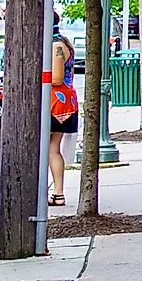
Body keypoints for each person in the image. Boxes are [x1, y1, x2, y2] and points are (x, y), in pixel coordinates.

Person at [45, 35, 79, 207]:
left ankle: (49, 193)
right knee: (52, 148)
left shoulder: (56, 45)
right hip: (64, 100)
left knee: (44, 148)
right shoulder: (62, 42)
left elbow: (57, 78)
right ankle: (57, 193)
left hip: (56, 101)